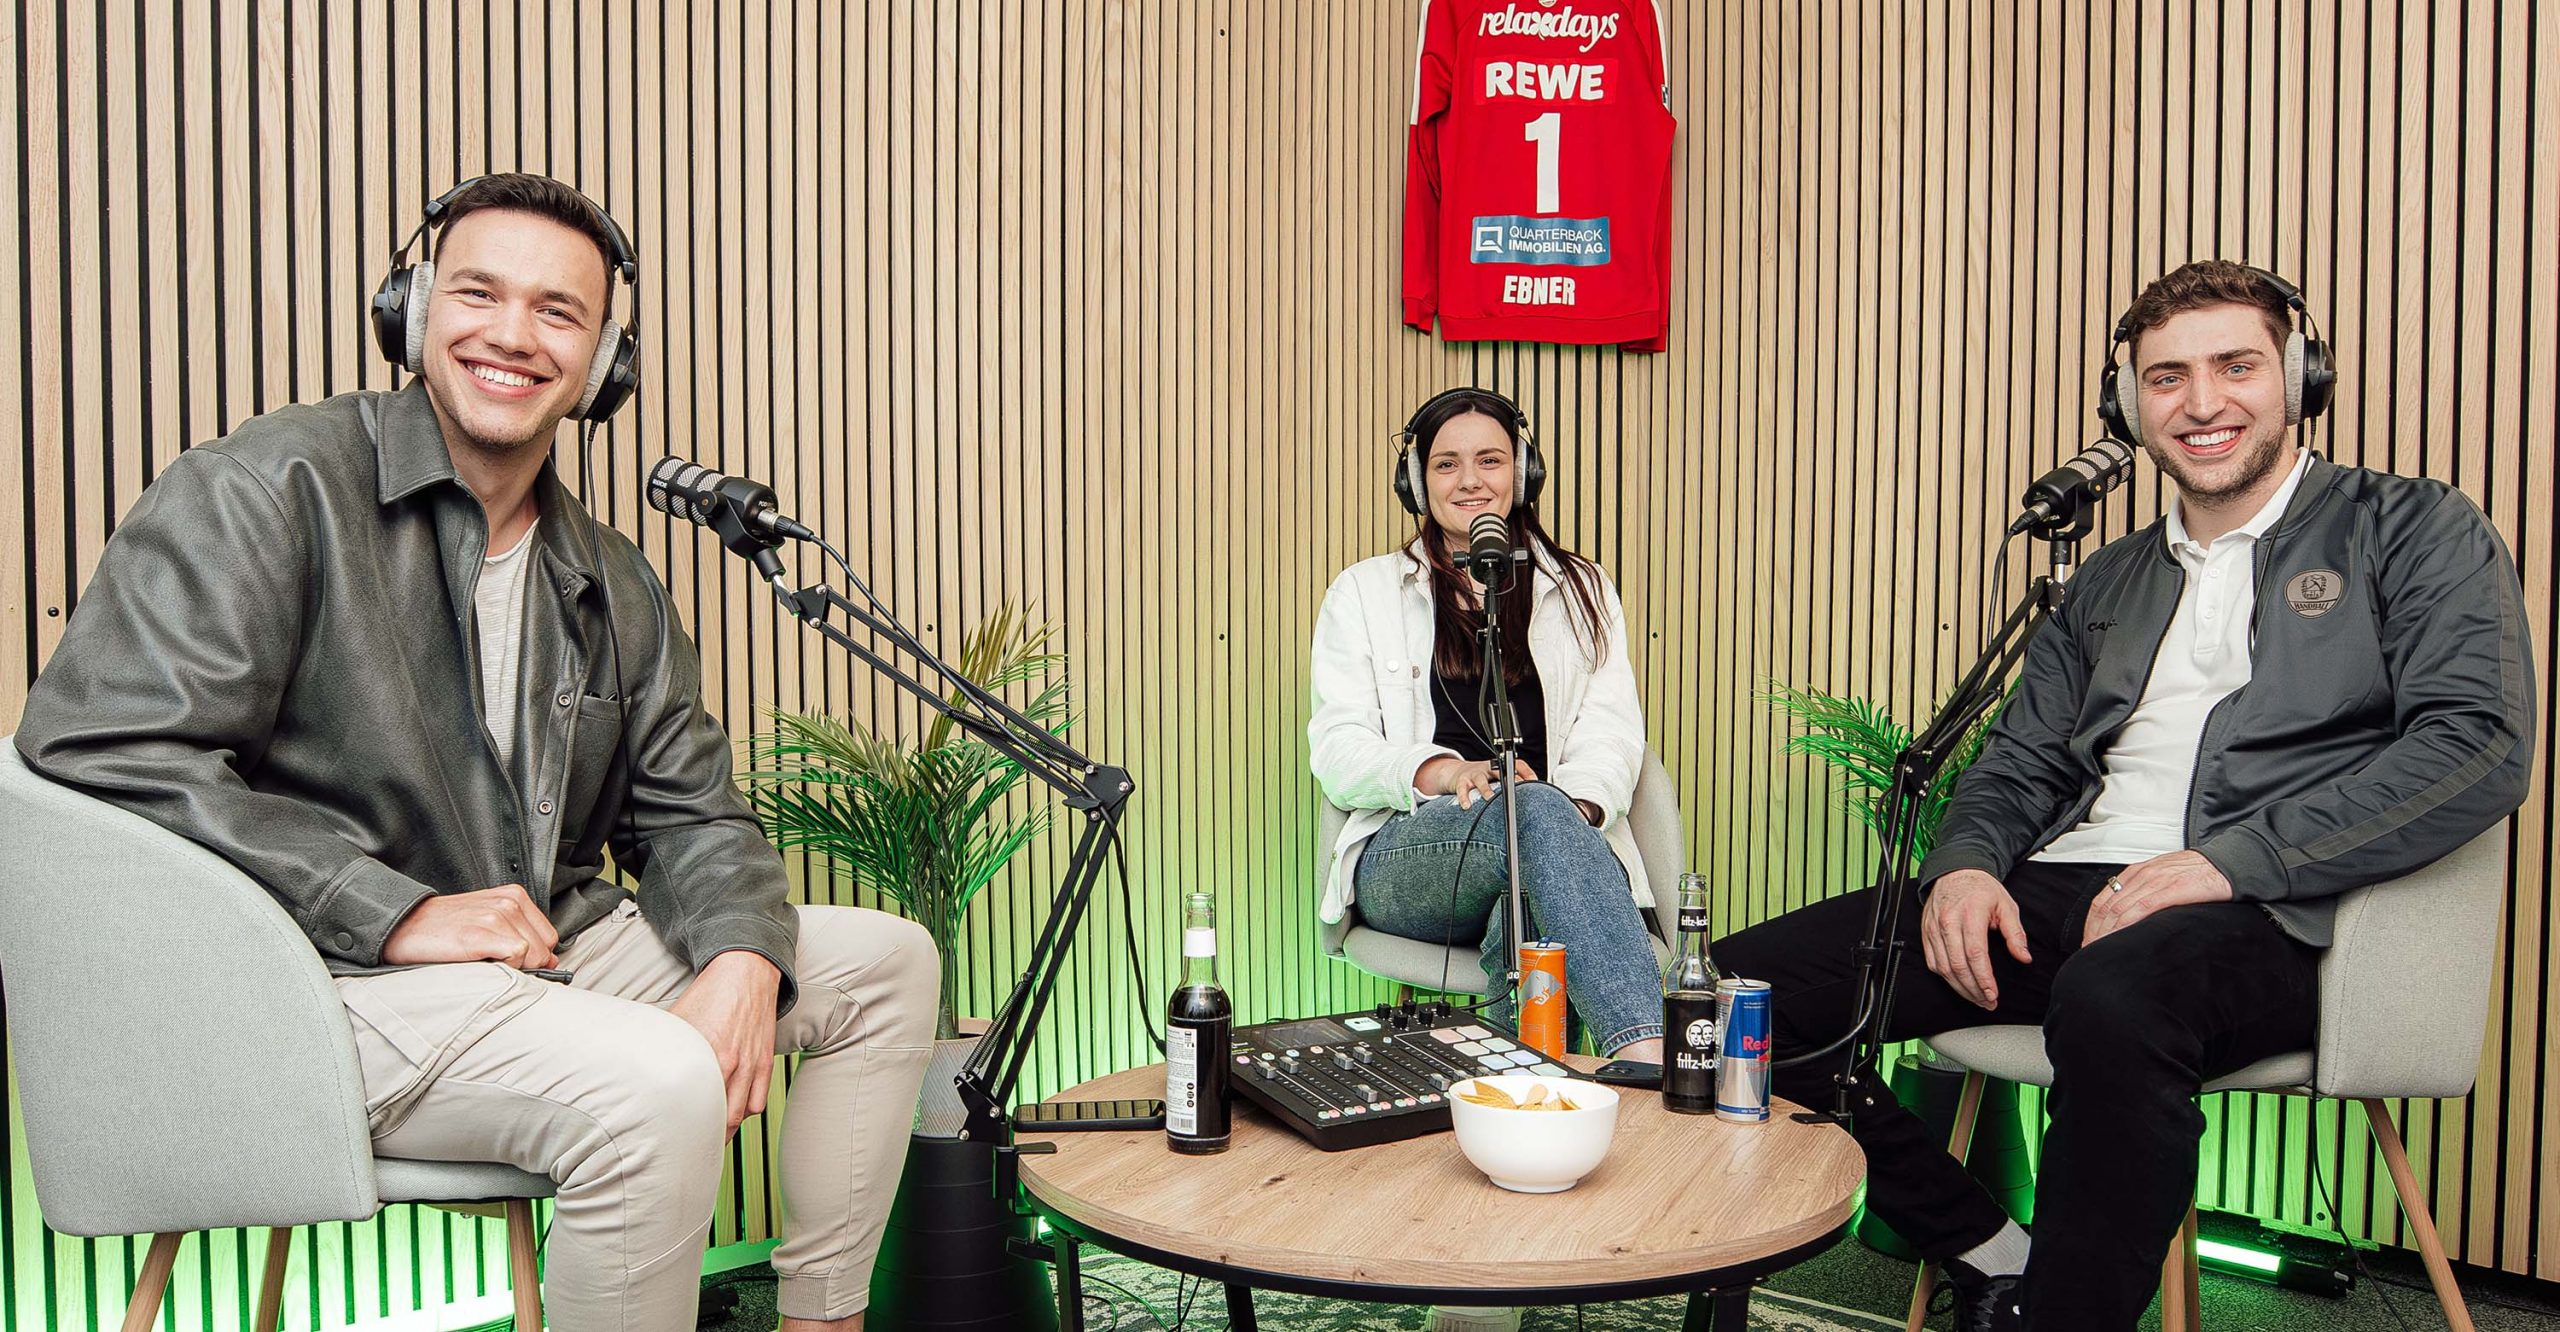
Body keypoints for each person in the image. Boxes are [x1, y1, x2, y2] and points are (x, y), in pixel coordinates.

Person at [14, 174, 937, 1332]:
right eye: (477, 293)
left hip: (532, 965)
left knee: (880, 963)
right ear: (411, 312)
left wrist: (747, 957)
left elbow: (697, 815)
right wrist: (389, 908)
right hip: (313, 984)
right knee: (658, 1086)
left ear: (603, 364)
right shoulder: (268, 487)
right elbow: (101, 746)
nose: (512, 334)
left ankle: (823, 1322)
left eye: (558, 311)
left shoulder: (611, 578)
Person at [1711, 260, 2535, 1331]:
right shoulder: (2106, 579)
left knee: (2113, 994)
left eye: (2235, 366)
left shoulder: (2414, 528)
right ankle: (1996, 1255)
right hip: (2067, 894)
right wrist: (1962, 866)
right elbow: (2020, 761)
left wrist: (2225, 863)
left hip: (2272, 913)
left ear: (2299, 376)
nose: (2200, 403)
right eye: (2164, 378)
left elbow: (2476, 743)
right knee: (1737, 996)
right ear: (2127, 405)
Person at [1308, 386, 1662, 1066]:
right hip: (1412, 855)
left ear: (1522, 474)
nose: (1470, 480)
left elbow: (1613, 731)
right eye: (1446, 464)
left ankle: (1512, 1099)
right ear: (1417, 482)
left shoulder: (1582, 588)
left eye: (1490, 460)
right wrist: (1445, 772)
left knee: (1529, 902)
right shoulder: (1364, 592)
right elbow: (1338, 746)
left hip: (1552, 848)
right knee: (1529, 815)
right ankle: (1645, 1059)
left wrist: (1573, 806)